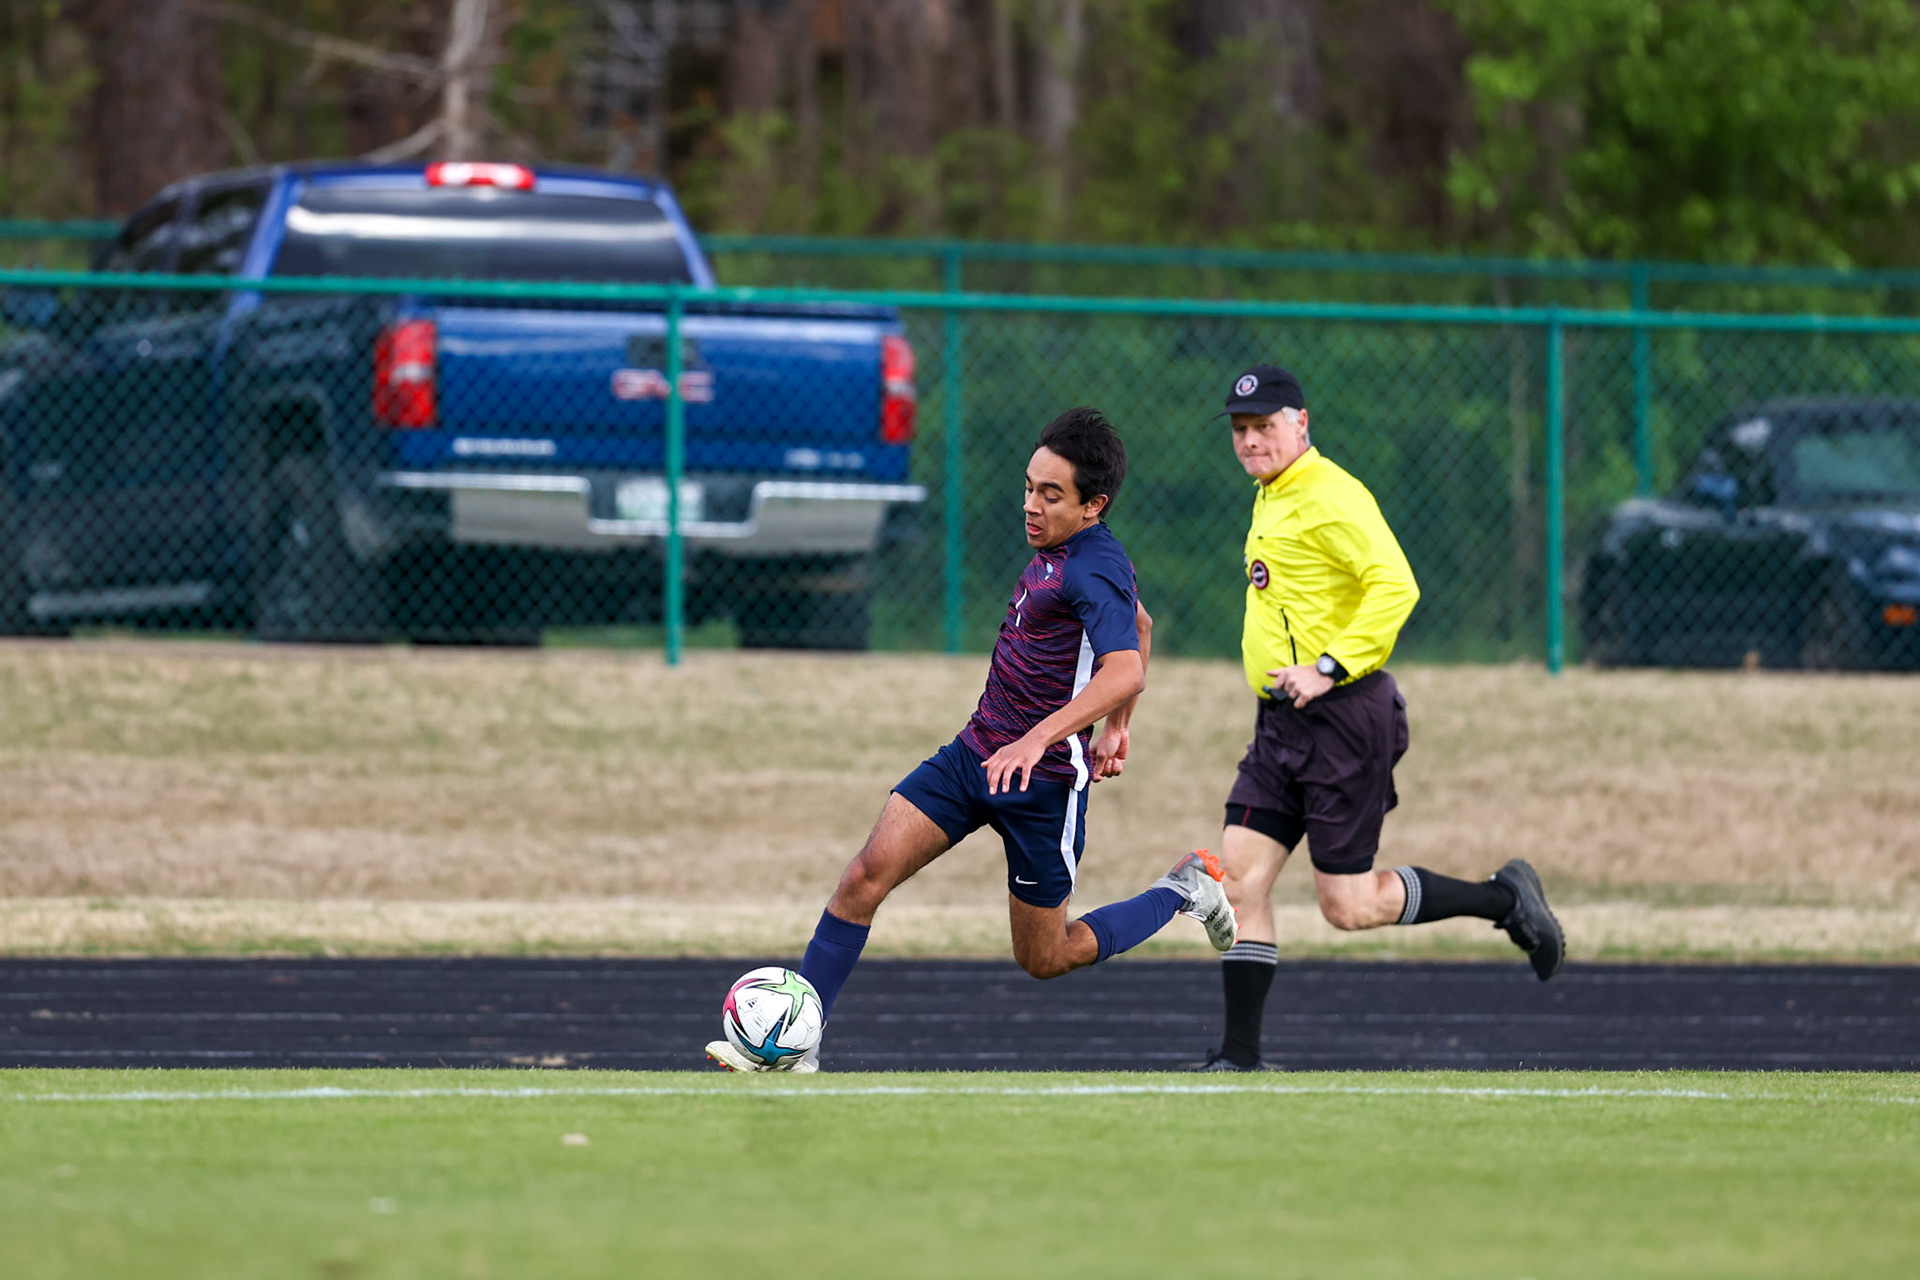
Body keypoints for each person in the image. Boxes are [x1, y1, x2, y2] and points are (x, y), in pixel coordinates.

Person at [706, 406, 1239, 1072]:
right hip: (973, 756)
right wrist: (1116, 728)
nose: (1031, 505)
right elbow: (1142, 623)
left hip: (1041, 787)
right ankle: (798, 1047)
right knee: (863, 879)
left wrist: (1043, 740)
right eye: (1028, 486)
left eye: (1051, 494)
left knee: (1047, 956)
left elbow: (1125, 661)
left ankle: (1185, 889)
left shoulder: (1091, 567)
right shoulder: (1061, 554)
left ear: (1093, 506)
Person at [1196, 364, 1565, 1074]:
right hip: (1280, 725)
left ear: (1301, 423)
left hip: (1342, 721)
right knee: (1238, 879)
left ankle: (1504, 898)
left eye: (1265, 426)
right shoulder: (1272, 493)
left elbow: (1396, 585)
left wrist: (1328, 667)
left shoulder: (1332, 495)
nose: (1251, 441)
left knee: (1349, 906)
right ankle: (1240, 1058)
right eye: (1241, 430)